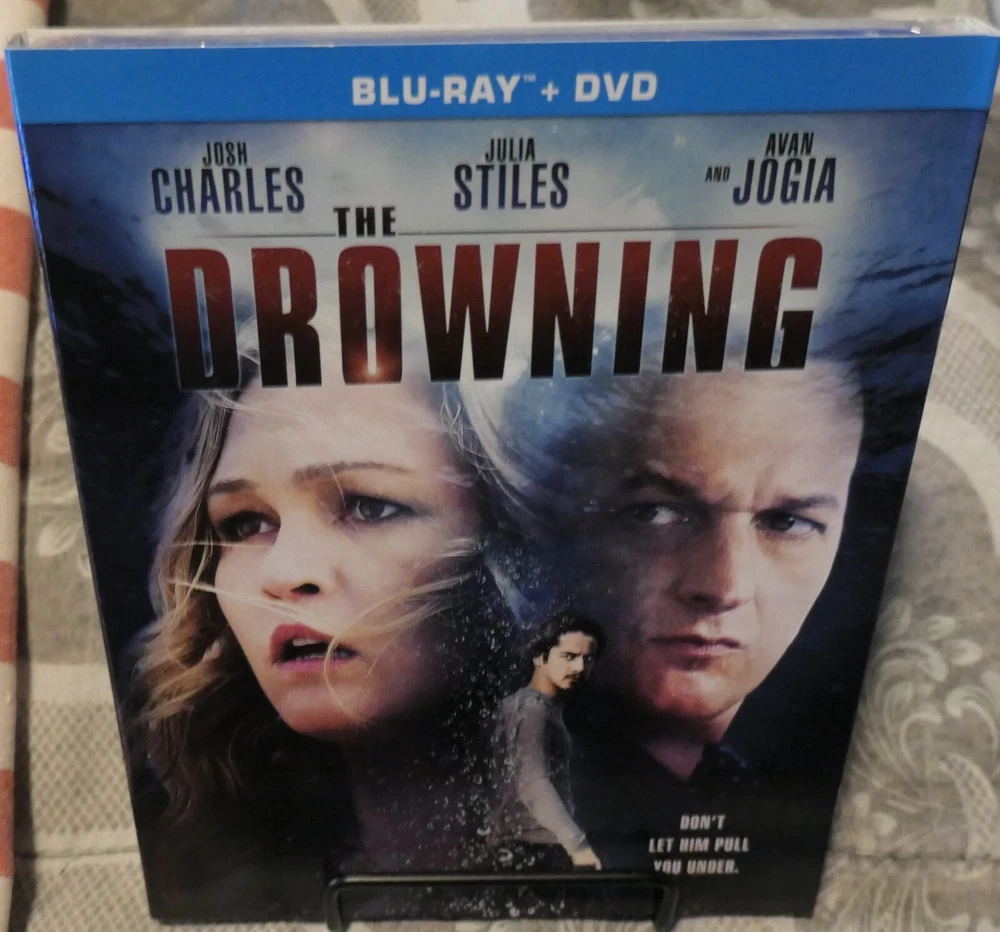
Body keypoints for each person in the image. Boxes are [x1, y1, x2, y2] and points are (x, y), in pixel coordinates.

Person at [129, 332, 518, 919]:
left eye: (370, 506)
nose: (284, 573)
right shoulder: (211, 881)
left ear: (512, 538)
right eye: (246, 524)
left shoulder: (632, 828)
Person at [488, 613, 606, 871]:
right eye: (569, 656)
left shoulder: (526, 705)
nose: (580, 668)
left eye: (588, 659)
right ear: (539, 657)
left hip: (524, 846)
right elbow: (532, 782)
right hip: (534, 848)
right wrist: (578, 846)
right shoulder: (534, 709)